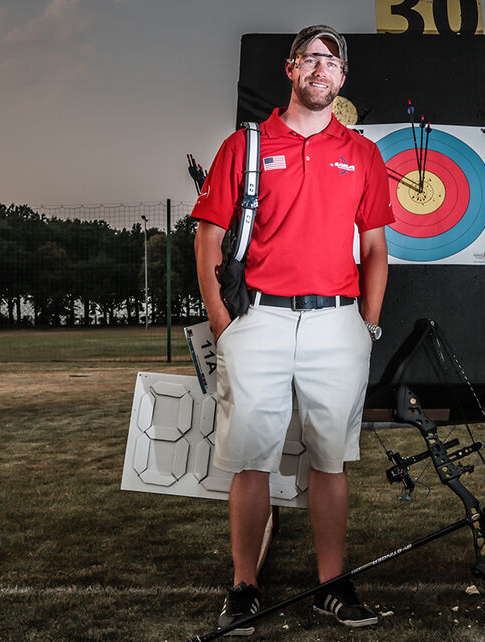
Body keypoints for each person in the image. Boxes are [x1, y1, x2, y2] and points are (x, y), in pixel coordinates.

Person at [191, 25, 394, 635]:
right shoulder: (246, 144)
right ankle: (244, 587)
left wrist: (368, 324)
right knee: (251, 458)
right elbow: (208, 237)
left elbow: (375, 247)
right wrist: (223, 324)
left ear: (342, 77)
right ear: (290, 69)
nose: (320, 68)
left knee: (331, 459)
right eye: (309, 58)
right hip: (260, 318)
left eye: (331, 61)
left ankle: (331, 585)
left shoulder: (362, 152)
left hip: (337, 321)